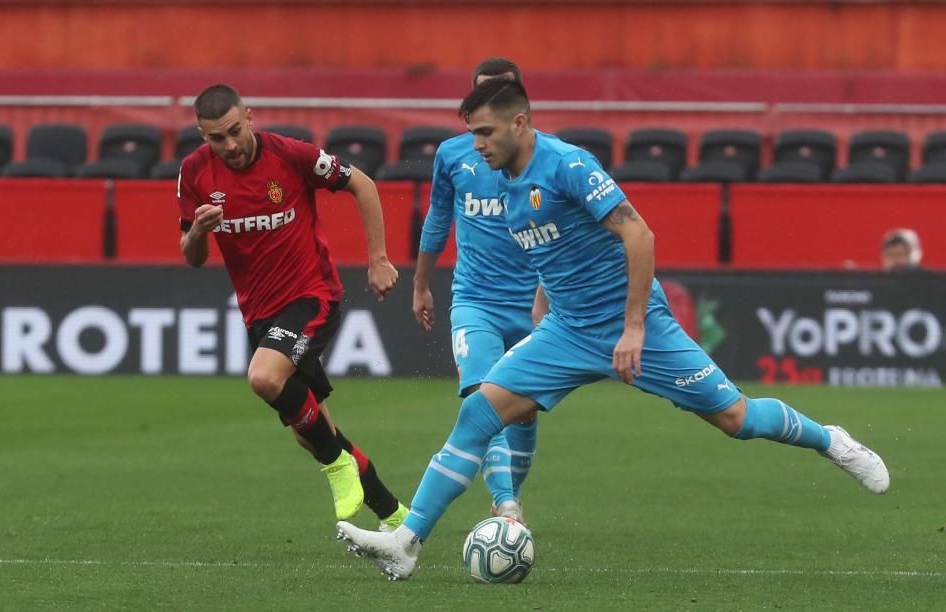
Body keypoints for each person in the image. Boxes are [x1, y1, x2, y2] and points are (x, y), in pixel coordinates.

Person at [336, 78, 890, 580]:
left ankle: (833, 442)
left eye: (484, 132)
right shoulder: (503, 183)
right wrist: (541, 308)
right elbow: (553, 249)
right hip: (567, 330)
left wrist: (632, 330)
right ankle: (407, 542)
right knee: (480, 410)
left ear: (520, 123)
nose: (477, 145)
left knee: (735, 418)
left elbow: (639, 237)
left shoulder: (569, 165)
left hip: (638, 327)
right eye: (472, 134)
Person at [177, 84, 407, 530]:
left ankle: (338, 467)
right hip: (259, 316)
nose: (229, 145)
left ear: (249, 116)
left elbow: (363, 183)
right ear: (202, 137)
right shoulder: (193, 173)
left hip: (311, 295)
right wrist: (199, 233)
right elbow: (192, 256)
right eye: (215, 138)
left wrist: (377, 258)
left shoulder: (290, 156)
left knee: (264, 377)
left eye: (234, 131)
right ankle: (396, 518)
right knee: (313, 433)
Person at [413, 57, 539, 524]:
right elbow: (438, 219)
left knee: (523, 414)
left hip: (532, 307)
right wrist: (422, 284)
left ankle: (509, 496)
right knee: (482, 398)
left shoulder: (546, 158)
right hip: (476, 301)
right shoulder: (453, 156)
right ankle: (507, 505)